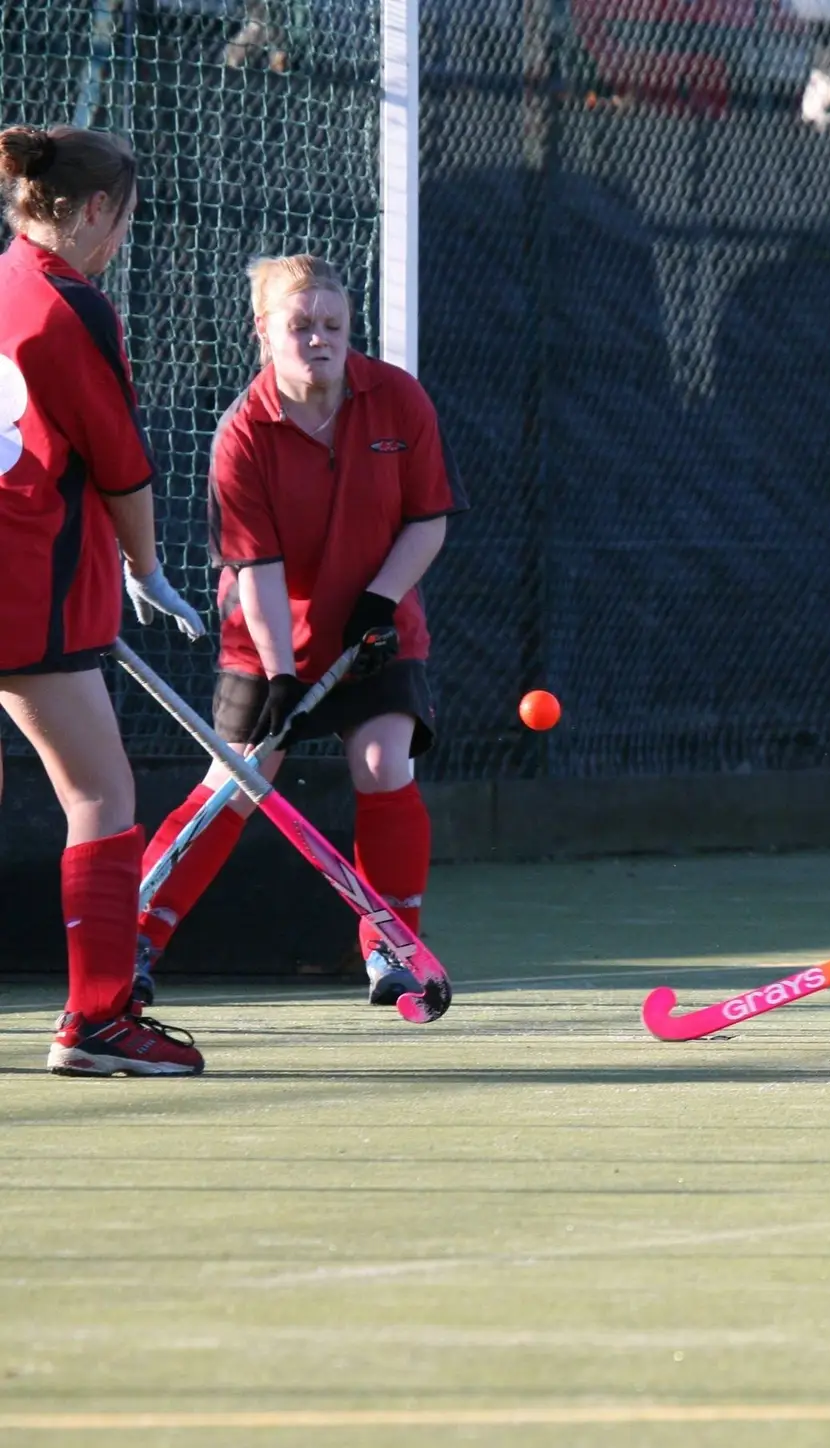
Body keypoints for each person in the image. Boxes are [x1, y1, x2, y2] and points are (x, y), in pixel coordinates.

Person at [132, 254, 466, 1006]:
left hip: (376, 630)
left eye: (334, 325)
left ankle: (393, 950)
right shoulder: (242, 434)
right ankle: (135, 941)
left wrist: (378, 603)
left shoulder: (398, 400)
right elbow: (257, 569)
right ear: (263, 331)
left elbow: (428, 519)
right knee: (236, 784)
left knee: (383, 763)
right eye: (302, 326)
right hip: (266, 636)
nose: (321, 339)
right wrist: (282, 672)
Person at [0, 124, 211, 1075]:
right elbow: (121, 463)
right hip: (24, 581)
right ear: (93, 210)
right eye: (123, 220)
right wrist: (145, 566)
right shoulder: (72, 304)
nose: (122, 238)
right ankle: (97, 1021)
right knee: (100, 793)